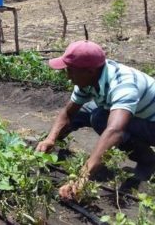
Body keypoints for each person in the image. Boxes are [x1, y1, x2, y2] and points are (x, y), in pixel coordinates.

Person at [36, 40, 155, 200]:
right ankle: (49, 150)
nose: (68, 76)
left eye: (71, 71)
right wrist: (50, 138)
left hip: (151, 124)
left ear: (90, 71)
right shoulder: (89, 78)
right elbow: (68, 112)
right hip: (139, 115)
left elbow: (115, 131)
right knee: (83, 112)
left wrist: (82, 178)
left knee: (99, 118)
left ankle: (148, 161)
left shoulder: (123, 84)